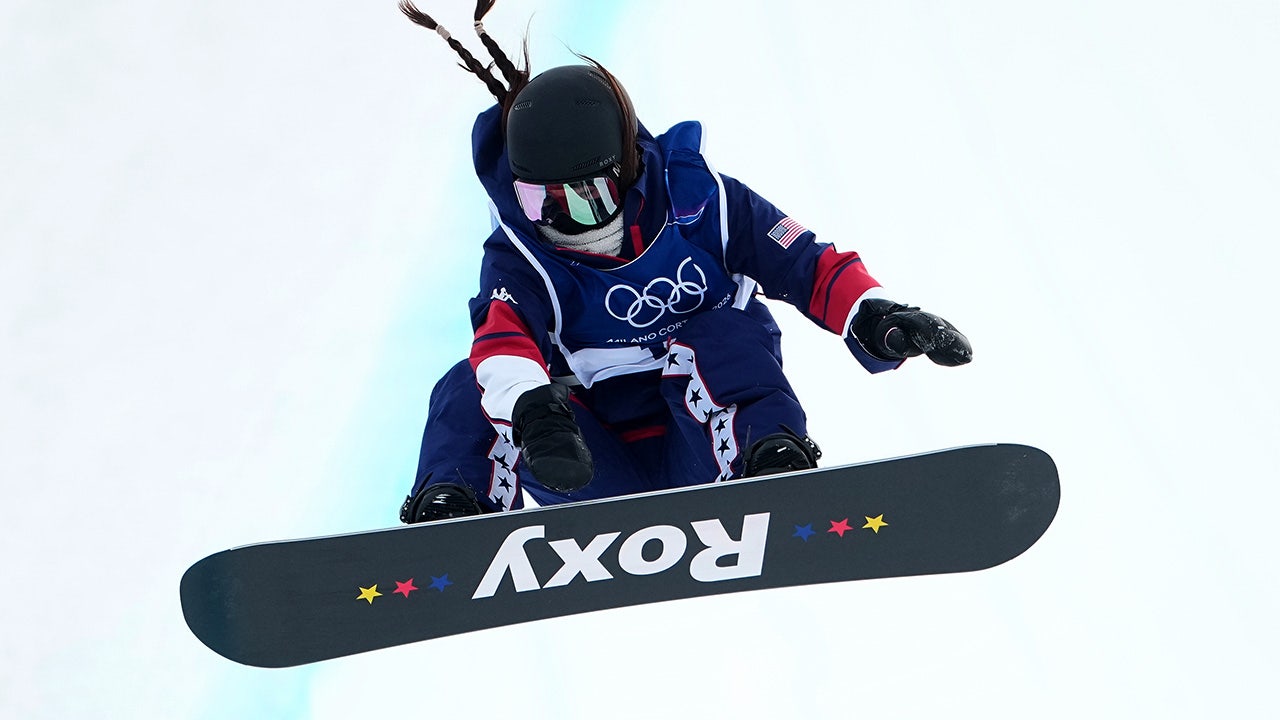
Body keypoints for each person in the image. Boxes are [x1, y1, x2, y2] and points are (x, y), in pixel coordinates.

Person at [396, 1, 972, 524]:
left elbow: (805, 263)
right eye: (537, 201)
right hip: (585, 466)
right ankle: (456, 512)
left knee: (723, 333)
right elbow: (503, 341)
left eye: (584, 198)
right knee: (475, 383)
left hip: (704, 443)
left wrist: (873, 314)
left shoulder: (701, 205)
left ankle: (766, 460)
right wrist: (534, 413)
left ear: (624, 170)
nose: (559, 221)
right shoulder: (522, 254)